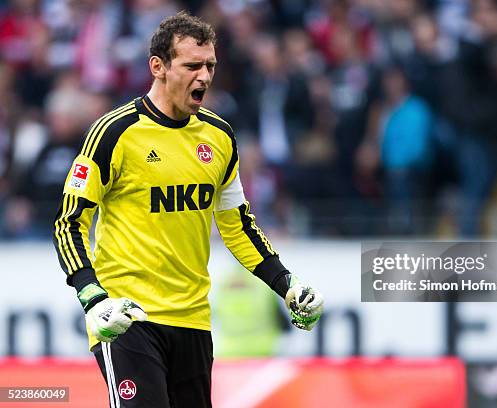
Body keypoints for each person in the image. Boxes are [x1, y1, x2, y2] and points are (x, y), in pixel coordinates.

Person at [51, 12, 323, 408]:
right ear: (157, 67)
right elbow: (69, 221)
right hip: (129, 317)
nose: (205, 76)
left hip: (193, 319)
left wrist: (287, 284)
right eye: (192, 65)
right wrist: (94, 297)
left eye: (210, 65)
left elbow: (238, 226)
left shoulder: (220, 137)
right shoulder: (114, 133)